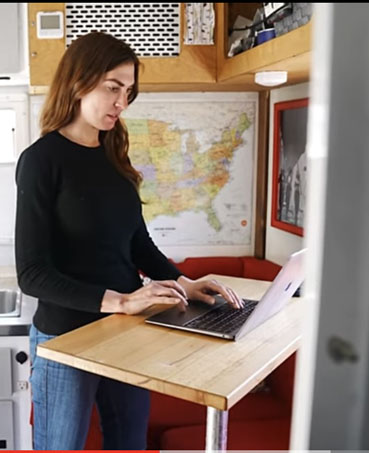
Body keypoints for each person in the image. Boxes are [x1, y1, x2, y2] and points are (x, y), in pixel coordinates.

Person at [14, 32, 244, 450]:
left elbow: (138, 244)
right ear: (79, 82)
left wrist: (183, 282)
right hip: (64, 339)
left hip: (126, 335)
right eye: (113, 87)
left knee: (130, 445)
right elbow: (31, 275)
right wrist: (121, 299)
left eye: (129, 91)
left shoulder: (114, 153)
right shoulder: (41, 160)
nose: (122, 102)